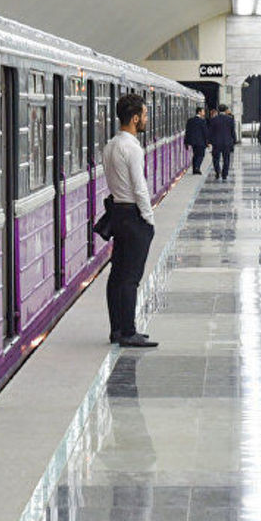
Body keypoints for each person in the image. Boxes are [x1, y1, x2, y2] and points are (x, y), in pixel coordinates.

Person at [102, 93, 159, 347]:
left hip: (117, 212)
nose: (146, 119)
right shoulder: (133, 148)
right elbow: (140, 187)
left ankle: (116, 329)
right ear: (135, 118)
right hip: (133, 215)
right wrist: (148, 219)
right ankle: (128, 331)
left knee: (117, 274)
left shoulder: (111, 145)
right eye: (144, 115)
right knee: (131, 278)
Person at [208, 103, 236, 180]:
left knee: (216, 158)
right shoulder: (230, 119)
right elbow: (232, 131)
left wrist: (209, 141)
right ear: (226, 110)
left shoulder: (214, 119)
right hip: (227, 142)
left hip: (216, 142)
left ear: (218, 110)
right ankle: (224, 174)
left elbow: (210, 131)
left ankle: (217, 172)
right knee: (226, 159)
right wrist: (234, 141)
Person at [184, 107, 209, 175]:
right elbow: (205, 132)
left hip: (193, 142)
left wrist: (186, 142)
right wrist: (207, 142)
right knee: (201, 155)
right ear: (199, 112)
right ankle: (197, 168)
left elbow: (187, 131)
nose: (204, 113)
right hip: (201, 142)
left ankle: (194, 169)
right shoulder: (202, 121)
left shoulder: (190, 120)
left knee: (195, 155)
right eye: (203, 111)